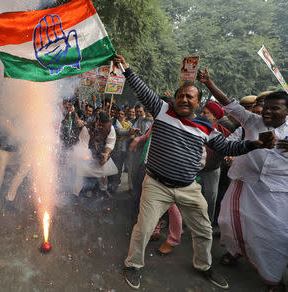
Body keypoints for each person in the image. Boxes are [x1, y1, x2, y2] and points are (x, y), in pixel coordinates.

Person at [114, 54, 275, 290]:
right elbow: (142, 89)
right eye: (180, 96)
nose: (184, 100)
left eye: (190, 97)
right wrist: (127, 69)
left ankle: (204, 266)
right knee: (144, 228)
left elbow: (229, 146)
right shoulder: (161, 110)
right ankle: (133, 265)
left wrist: (255, 143)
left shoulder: (206, 127)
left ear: (198, 102)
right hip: (156, 185)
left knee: (204, 230)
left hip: (188, 187)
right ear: (174, 99)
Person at [198, 67, 288, 292]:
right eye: (266, 108)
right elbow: (230, 104)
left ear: (287, 111)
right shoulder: (252, 121)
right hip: (244, 184)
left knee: (275, 235)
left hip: (276, 193)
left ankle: (273, 278)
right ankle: (234, 251)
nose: (267, 113)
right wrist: (209, 83)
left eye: (274, 109)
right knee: (230, 223)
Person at [72, 111, 117, 197]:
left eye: (103, 125)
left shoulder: (110, 128)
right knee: (80, 171)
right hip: (88, 153)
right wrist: (88, 156)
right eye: (100, 124)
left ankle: (103, 189)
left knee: (103, 172)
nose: (101, 127)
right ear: (96, 121)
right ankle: (77, 192)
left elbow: (110, 142)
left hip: (101, 153)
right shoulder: (87, 128)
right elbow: (83, 145)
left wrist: (106, 154)